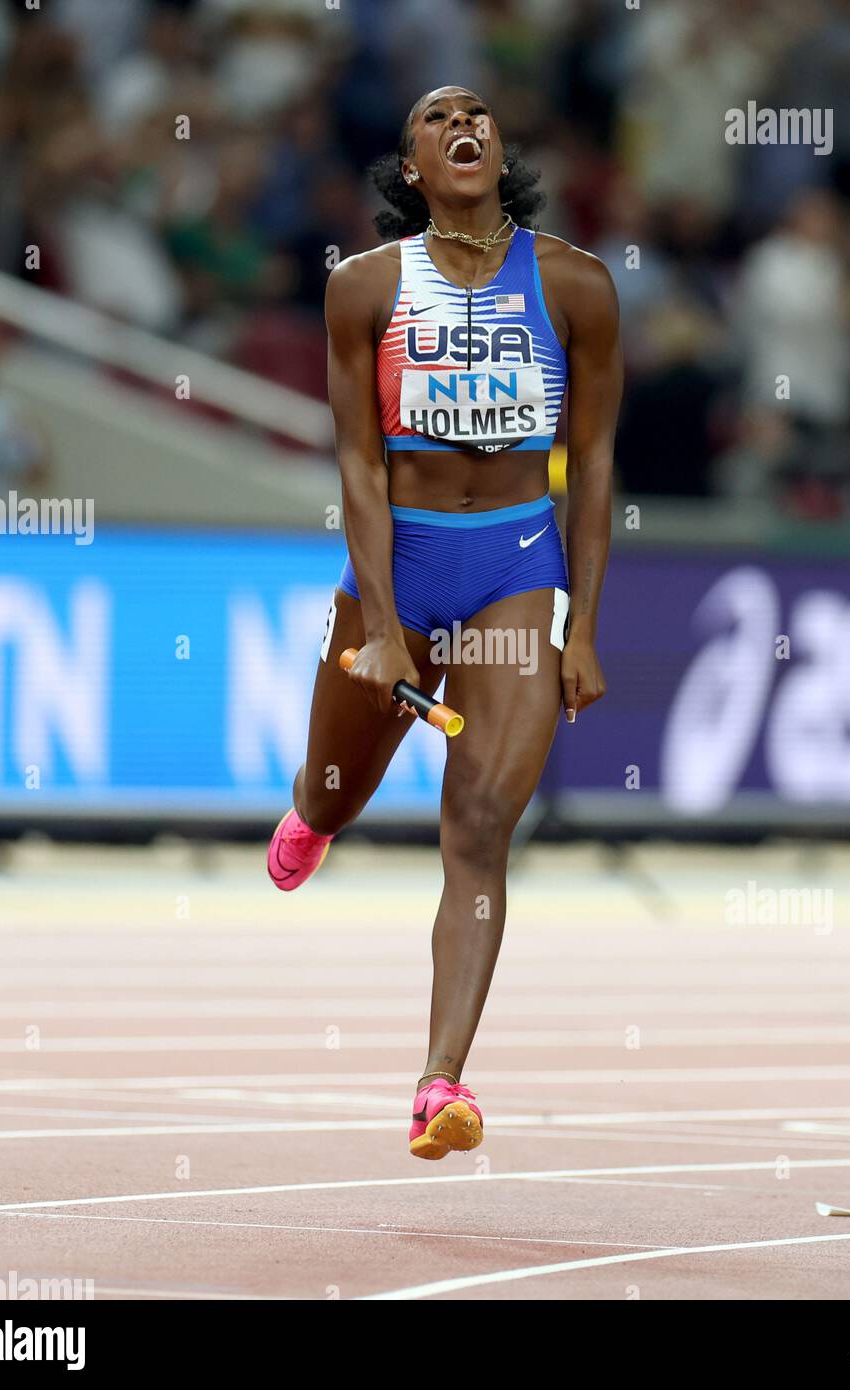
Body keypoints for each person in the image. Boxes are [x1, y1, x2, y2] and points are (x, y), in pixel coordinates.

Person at [267, 86, 621, 1159]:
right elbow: (359, 465)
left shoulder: (577, 285)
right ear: (413, 165)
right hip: (402, 563)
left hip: (516, 565)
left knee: (476, 830)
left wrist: (584, 628)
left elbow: (596, 464)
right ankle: (317, 816)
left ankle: (440, 1083)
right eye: (434, 117)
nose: (462, 123)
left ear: (497, 150)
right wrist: (379, 622)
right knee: (333, 785)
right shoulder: (363, 289)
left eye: (478, 114)